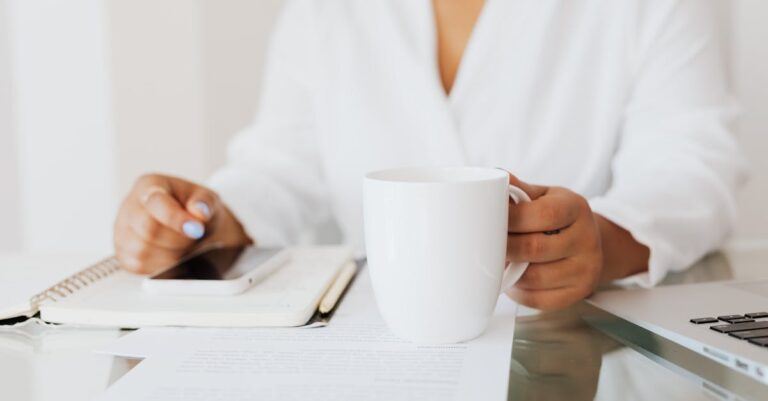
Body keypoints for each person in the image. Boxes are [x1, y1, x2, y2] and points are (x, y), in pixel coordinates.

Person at [113, 0, 743, 310]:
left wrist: (602, 242)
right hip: (377, 356)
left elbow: (691, 164)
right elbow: (284, 162)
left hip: (574, 356)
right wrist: (206, 220)